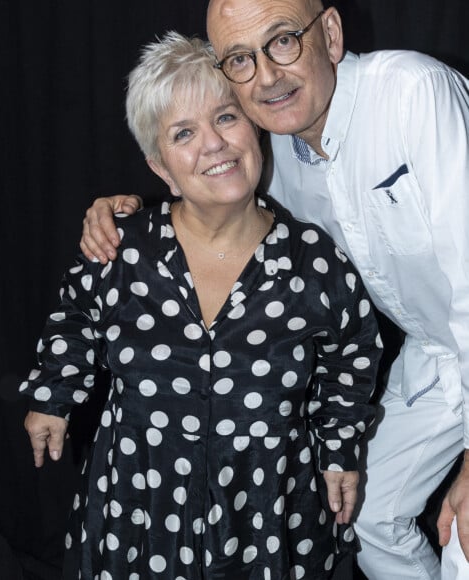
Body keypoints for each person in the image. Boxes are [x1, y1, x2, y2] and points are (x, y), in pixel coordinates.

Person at [79, 1, 469, 579]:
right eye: (241, 58)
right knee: (368, 517)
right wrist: (125, 214)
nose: (266, 76)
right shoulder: (277, 150)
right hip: (438, 354)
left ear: (330, 34)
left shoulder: (414, 94)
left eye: (283, 41)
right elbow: (215, 208)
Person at [21, 31, 382, 580]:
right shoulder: (120, 248)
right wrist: (53, 391)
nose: (212, 144)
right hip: (137, 511)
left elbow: (352, 357)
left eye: (226, 117)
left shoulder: (314, 261)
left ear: (254, 127)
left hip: (268, 516)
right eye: (184, 132)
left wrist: (339, 450)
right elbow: (76, 316)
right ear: (161, 166)